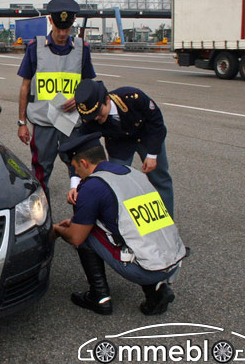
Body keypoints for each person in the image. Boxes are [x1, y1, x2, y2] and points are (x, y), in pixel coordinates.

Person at [52, 133, 187, 316]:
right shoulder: (132, 173)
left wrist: (58, 230)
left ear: (84, 163)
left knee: (85, 234)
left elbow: (76, 237)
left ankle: (99, 297)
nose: (76, 173)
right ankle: (156, 291)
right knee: (132, 233)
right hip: (172, 258)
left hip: (146, 269)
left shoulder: (93, 186)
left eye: (75, 167)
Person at [17, 0, 96, 200]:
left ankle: (82, 217)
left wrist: (79, 99)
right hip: (44, 121)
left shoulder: (82, 49)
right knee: (41, 170)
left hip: (72, 122)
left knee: (80, 169)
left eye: (67, 29)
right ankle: (41, 216)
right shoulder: (35, 48)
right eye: (59, 28)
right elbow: (25, 86)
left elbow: (89, 85)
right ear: (51, 21)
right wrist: (21, 123)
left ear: (73, 23)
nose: (62, 34)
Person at [70, 79, 175, 218]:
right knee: (117, 184)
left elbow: (157, 122)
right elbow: (80, 150)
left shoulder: (132, 97)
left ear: (107, 99)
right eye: (91, 116)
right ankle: (127, 225)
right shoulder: (90, 119)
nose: (96, 118)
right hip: (119, 145)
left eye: (99, 112)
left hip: (148, 138)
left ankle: (167, 221)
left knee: (160, 179)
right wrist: (75, 182)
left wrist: (152, 155)